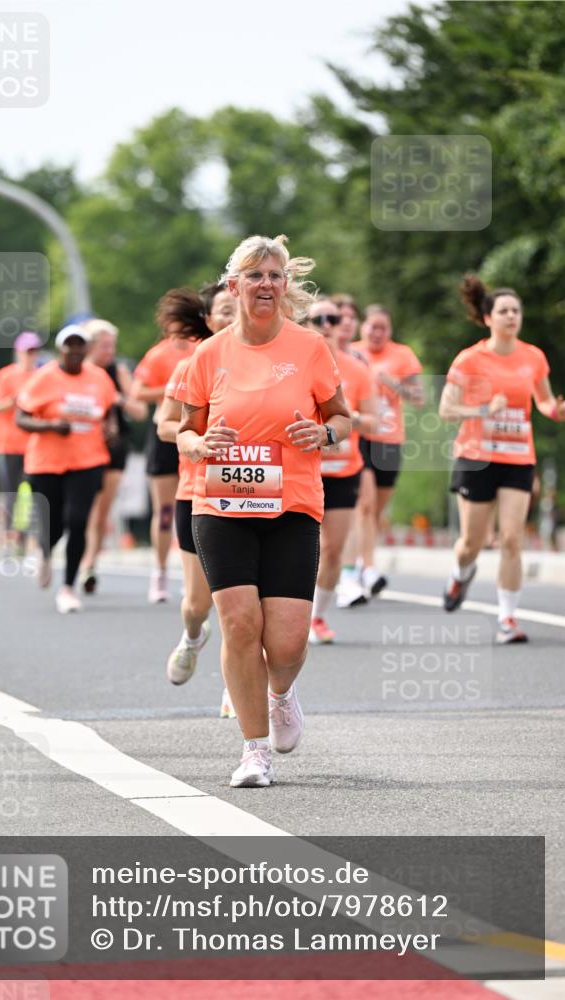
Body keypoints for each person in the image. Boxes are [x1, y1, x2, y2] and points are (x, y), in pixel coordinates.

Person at [177, 235, 351, 788]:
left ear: (285, 285)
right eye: (255, 275)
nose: (266, 284)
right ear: (234, 286)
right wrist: (200, 445)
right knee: (238, 623)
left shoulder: (310, 347)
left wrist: (323, 434)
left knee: (288, 642)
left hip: (292, 504)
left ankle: (282, 693)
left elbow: (343, 418)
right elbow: (184, 431)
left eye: (275, 275)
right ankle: (254, 751)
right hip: (220, 506)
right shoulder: (208, 354)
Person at [439, 275, 564, 643]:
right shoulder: (470, 359)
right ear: (488, 318)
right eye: (504, 311)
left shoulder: (533, 357)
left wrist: (555, 411)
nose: (511, 316)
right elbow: (446, 409)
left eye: (516, 311)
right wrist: (482, 409)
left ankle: (507, 618)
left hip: (517, 457)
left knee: (511, 538)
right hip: (476, 457)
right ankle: (461, 574)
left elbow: (543, 400)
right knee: (472, 543)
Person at [16, 324, 117, 614]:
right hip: (46, 462)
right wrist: (50, 425)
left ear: (86, 349)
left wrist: (110, 430)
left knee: (78, 520)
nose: (74, 350)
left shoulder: (99, 378)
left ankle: (68, 587)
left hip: (88, 460)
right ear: (61, 349)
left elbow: (109, 412)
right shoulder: (43, 378)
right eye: (69, 345)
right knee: (54, 524)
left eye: (79, 345)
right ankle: (45, 552)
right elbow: (21, 418)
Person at [156, 289, 218, 687]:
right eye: (225, 311)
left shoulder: (273, 364)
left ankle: (239, 689)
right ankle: (193, 636)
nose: (234, 317)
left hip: (257, 494)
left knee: (244, 603)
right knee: (198, 604)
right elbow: (165, 425)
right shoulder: (191, 366)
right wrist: (196, 439)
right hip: (197, 492)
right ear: (208, 320)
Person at [304, 298, 375, 643]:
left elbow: (375, 423)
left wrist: (349, 419)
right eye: (318, 319)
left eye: (333, 319)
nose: (326, 325)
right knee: (299, 548)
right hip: (302, 471)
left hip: (344, 472)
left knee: (333, 549)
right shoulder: (293, 365)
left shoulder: (357, 370)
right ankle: (290, 612)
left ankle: (317, 617)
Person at [131, 301, 197, 603]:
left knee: (194, 507)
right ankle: (159, 573)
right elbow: (138, 392)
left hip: (196, 432)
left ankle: (190, 574)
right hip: (166, 432)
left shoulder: (202, 348)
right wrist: (173, 389)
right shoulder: (158, 354)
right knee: (166, 510)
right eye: (175, 320)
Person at [355, 305, 424, 596]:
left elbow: (419, 397)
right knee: (365, 504)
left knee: (376, 511)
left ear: (390, 331)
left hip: (389, 440)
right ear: (363, 327)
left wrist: (393, 384)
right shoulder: (352, 353)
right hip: (360, 438)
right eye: (373, 326)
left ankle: (359, 559)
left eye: (383, 327)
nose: (377, 332)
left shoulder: (402, 355)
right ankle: (367, 568)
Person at [79, 319, 148, 593]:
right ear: (90, 346)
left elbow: (140, 411)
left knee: (100, 512)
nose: (110, 350)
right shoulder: (78, 371)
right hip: (82, 448)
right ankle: (80, 557)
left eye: (112, 345)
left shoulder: (118, 371)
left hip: (114, 448)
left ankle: (89, 564)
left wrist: (118, 399)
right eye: (105, 345)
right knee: (83, 510)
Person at [0, 331, 43, 551]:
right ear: (18, 352)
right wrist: (14, 400)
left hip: (35, 445)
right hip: (8, 444)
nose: (31, 355)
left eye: (34, 351)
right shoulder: (6, 376)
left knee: (33, 494)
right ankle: (8, 539)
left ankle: (28, 540)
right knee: (11, 494)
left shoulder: (42, 376)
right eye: (27, 351)